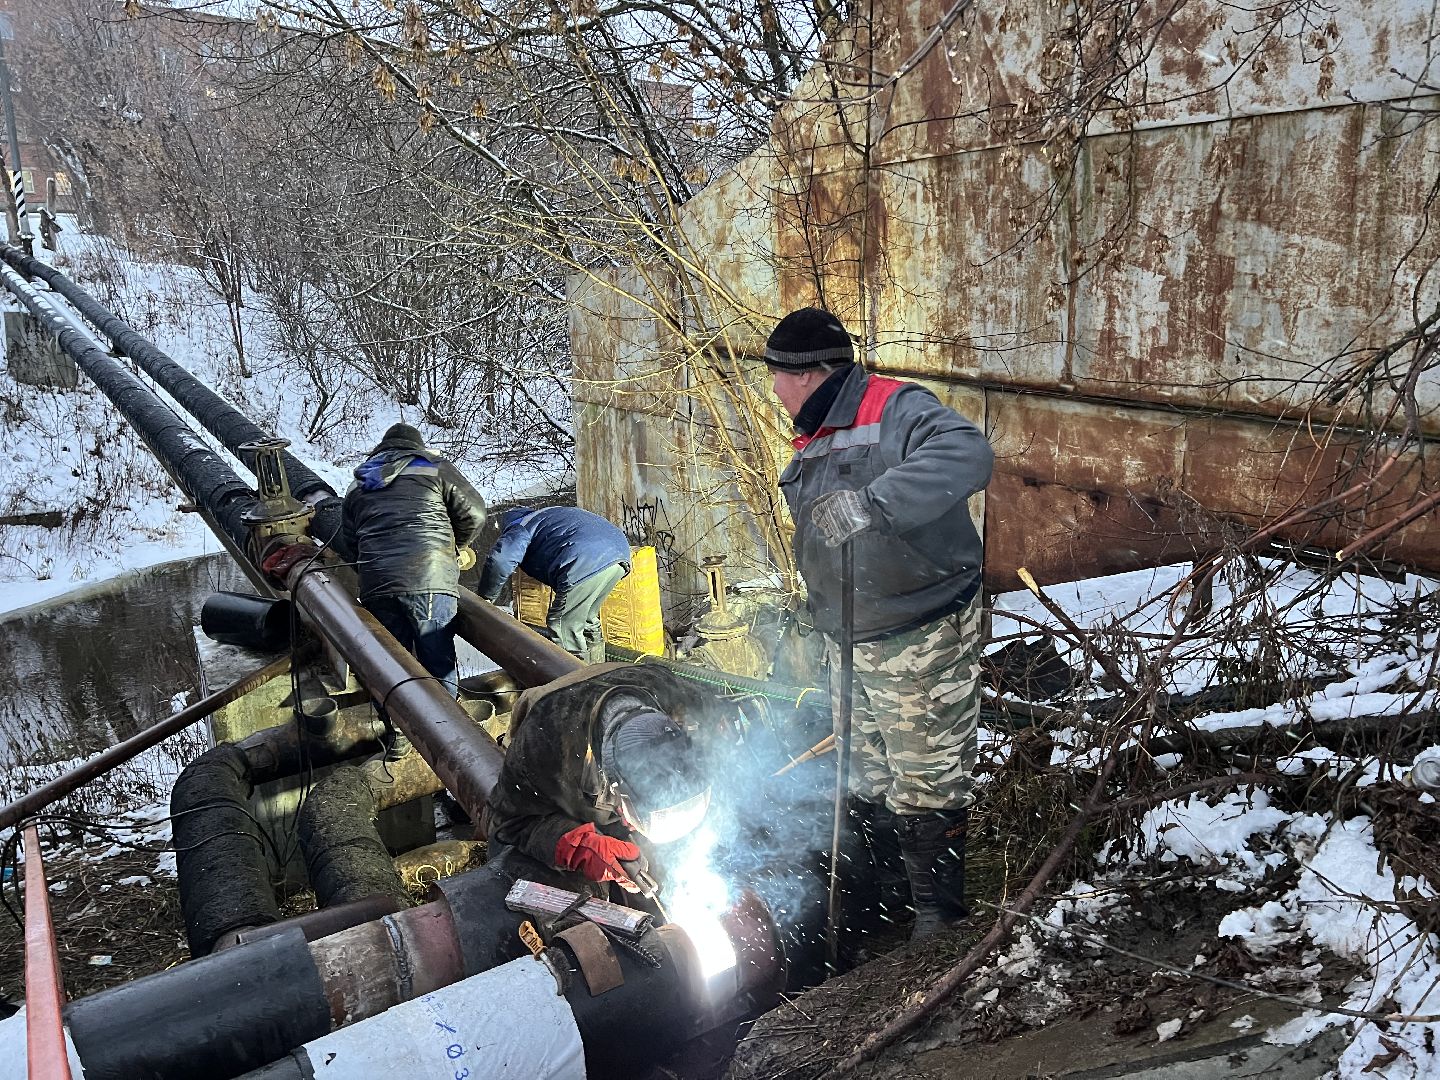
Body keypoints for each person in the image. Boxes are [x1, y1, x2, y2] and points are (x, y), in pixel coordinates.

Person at [763, 307, 994, 938]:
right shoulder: (816, 433)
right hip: (855, 635)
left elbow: (969, 453)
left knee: (926, 779)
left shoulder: (894, 407)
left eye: (777, 378)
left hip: (917, 630)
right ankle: (891, 905)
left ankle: (940, 922)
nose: (775, 392)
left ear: (806, 374)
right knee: (869, 773)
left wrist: (875, 504)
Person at [485, 665, 714, 896]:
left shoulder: (688, 706)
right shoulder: (543, 745)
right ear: (614, 787)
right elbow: (510, 824)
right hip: (553, 720)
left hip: (622, 680)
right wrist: (582, 847)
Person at [340, 422, 486, 719]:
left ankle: (397, 731)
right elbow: (475, 513)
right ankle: (448, 731)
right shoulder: (434, 467)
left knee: (392, 661)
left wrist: (374, 567)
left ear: (382, 449)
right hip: (429, 577)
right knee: (436, 658)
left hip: (377, 582)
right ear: (415, 447)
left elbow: (350, 540)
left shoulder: (359, 482)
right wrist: (455, 546)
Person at [477, 506, 632, 663]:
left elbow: (500, 561)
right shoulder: (550, 516)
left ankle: (574, 681)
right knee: (586, 620)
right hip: (619, 555)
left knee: (563, 624)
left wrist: (485, 598)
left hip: (585, 559)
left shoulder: (520, 526)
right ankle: (597, 672)